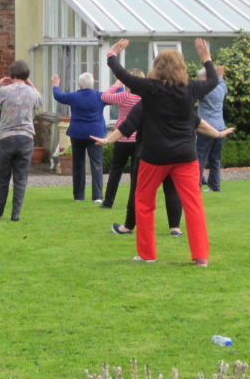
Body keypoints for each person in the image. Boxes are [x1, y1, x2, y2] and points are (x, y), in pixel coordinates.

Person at [107, 38, 217, 266]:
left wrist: (112, 55)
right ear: (181, 67)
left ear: (157, 67)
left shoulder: (150, 88)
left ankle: (147, 255)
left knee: (144, 202)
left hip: (154, 156)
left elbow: (124, 75)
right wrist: (206, 59)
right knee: (193, 204)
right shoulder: (191, 89)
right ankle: (200, 257)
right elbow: (214, 80)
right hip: (186, 156)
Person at [93, 100, 234, 237]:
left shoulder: (145, 103)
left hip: (150, 154)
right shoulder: (179, 103)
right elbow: (199, 124)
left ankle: (128, 226)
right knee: (172, 190)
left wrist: (107, 140)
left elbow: (127, 126)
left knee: (139, 190)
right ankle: (175, 228)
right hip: (175, 153)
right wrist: (218, 134)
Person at [0, 59, 43, 221]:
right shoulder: (31, 92)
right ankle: (15, 214)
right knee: (21, 178)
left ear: (11, 74)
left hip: (6, 138)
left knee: (2, 178)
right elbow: (41, 101)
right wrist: (31, 85)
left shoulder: (5, 90)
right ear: (26, 75)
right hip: (25, 138)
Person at [51, 72, 107, 202]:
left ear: (80, 85)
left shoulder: (74, 96)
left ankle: (78, 196)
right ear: (93, 84)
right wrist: (119, 85)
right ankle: (97, 196)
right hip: (96, 134)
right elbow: (115, 97)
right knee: (97, 164)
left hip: (77, 134)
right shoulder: (100, 96)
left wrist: (55, 85)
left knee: (78, 165)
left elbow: (58, 96)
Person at [98, 71, 144, 209]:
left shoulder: (124, 96)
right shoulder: (144, 98)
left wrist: (117, 84)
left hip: (122, 137)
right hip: (138, 139)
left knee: (116, 170)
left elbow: (104, 97)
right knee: (136, 174)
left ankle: (108, 202)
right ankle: (134, 202)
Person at [196, 64, 228, 192]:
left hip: (206, 127)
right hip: (220, 127)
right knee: (215, 159)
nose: (198, 80)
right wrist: (220, 76)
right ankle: (214, 185)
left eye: (200, 78)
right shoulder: (221, 87)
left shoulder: (204, 90)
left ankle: (196, 183)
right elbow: (221, 82)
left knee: (200, 157)